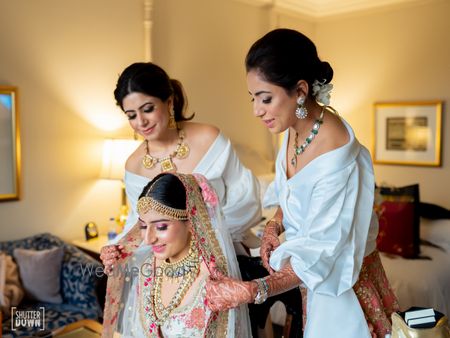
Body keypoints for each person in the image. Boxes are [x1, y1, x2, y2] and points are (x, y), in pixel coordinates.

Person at [205, 28, 399, 338]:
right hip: (314, 283)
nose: (256, 110)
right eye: (253, 98)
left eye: (265, 98)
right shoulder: (294, 127)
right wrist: (274, 225)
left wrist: (252, 290)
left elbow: (323, 252)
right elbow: (293, 193)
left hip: (345, 288)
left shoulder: (335, 151)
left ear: (300, 90)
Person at [100, 62, 261, 272]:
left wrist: (194, 238)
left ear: (169, 102)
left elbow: (246, 201)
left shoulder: (209, 139)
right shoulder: (134, 165)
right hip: (167, 271)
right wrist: (118, 248)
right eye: (131, 115)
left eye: (147, 109)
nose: (141, 122)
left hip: (221, 260)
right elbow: (137, 223)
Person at [102, 173, 251, 337]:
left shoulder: (212, 281)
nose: (148, 238)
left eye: (161, 227)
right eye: (143, 226)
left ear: (190, 221)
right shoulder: (147, 269)